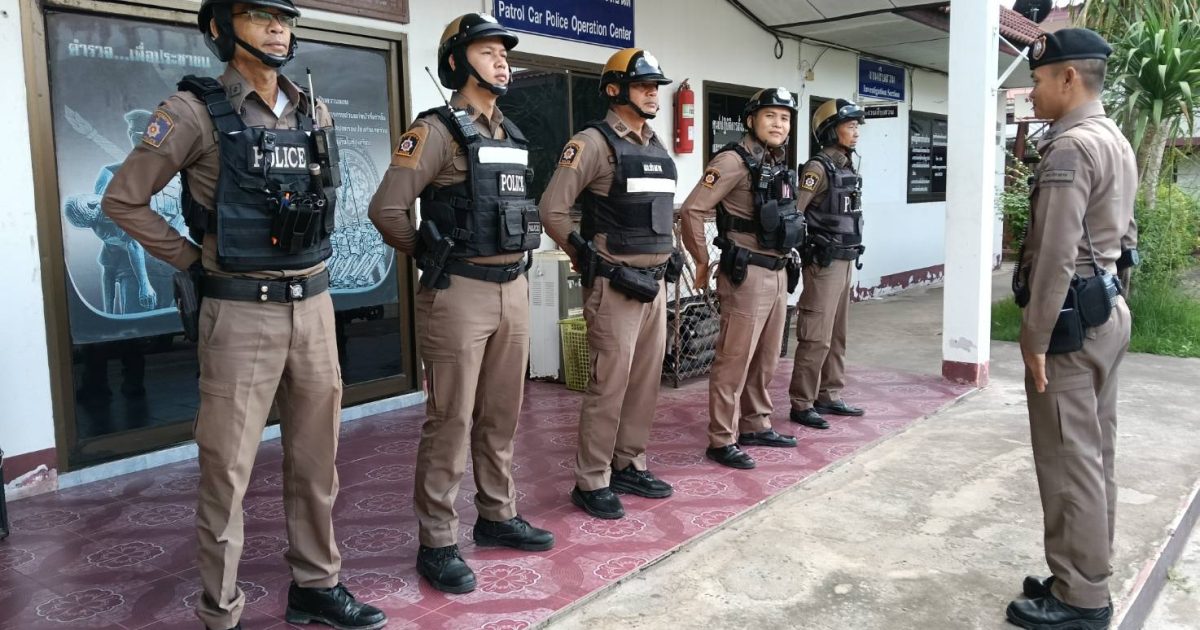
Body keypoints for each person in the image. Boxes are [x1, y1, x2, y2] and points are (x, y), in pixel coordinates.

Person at [101, 2, 386, 628]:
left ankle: (316, 585)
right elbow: (123, 200)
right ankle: (221, 610)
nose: (278, 28)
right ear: (220, 27)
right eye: (259, 14)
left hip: (314, 307)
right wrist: (193, 259)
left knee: (317, 462)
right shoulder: (193, 112)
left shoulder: (315, 111)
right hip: (239, 313)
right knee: (226, 471)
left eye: (284, 16)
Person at [367, 12, 553, 594]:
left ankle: (497, 515)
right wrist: (428, 253)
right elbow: (387, 209)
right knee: (450, 420)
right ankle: (438, 540)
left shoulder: (511, 134)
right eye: (487, 52)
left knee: (502, 414)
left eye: (505, 54)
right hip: (460, 292)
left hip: (513, 288)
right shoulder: (436, 132)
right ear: (456, 62)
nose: (502, 62)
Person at [1007, 28, 1135, 630]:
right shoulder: (1113, 138)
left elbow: (1056, 254)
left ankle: (1081, 599)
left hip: (1070, 323)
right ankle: (1083, 572)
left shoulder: (1070, 148)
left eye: (1036, 80)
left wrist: (1035, 338)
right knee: (1094, 453)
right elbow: (1124, 238)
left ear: (1068, 77)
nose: (1031, 92)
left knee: (1067, 461)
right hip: (1102, 310)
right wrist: (1111, 300)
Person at [538, 48, 678, 520]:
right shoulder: (593, 143)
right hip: (616, 287)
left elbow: (659, 210)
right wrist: (586, 257)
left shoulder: (655, 145)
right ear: (615, 90)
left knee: (644, 384)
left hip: (654, 287)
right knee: (609, 386)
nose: (652, 94)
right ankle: (592, 479)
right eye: (643, 86)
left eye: (655, 87)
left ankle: (629, 463)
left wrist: (672, 251)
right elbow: (553, 210)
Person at [679, 87, 804, 470]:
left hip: (778, 271)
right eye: (770, 116)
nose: (779, 124)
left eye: (785, 118)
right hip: (747, 274)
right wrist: (702, 261)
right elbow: (692, 210)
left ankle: (756, 423)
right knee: (734, 360)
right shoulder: (733, 161)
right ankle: (722, 439)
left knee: (767, 356)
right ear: (751, 120)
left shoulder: (776, 162)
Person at [787, 98, 868, 431]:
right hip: (824, 262)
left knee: (837, 335)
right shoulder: (817, 169)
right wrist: (799, 252)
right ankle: (802, 402)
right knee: (816, 336)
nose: (856, 132)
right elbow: (795, 213)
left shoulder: (846, 167)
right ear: (831, 130)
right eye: (850, 126)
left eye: (857, 126)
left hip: (846, 260)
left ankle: (829, 394)